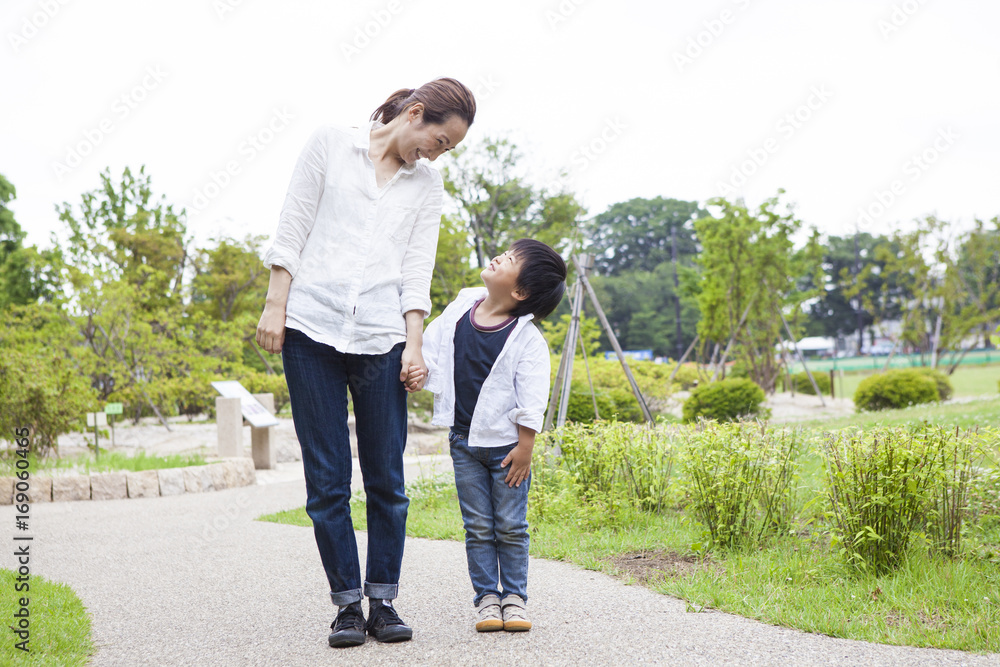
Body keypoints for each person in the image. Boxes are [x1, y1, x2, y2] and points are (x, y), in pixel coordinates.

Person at [255, 78, 476, 648]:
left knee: (387, 478)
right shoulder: (330, 143)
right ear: (417, 113)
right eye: (439, 139)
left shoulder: (428, 186)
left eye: (448, 148)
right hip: (310, 329)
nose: (437, 152)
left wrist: (415, 343)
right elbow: (293, 227)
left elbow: (415, 269)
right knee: (326, 480)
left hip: (381, 337)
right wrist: (275, 307)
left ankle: (383, 600)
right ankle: (346, 605)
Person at [405, 239, 567, 633]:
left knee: (511, 525)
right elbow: (433, 346)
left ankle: (514, 598)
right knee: (477, 526)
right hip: (464, 443)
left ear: (520, 292)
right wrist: (418, 368)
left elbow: (532, 397)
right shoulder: (463, 308)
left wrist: (527, 446)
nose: (499, 257)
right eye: (506, 252)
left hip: (508, 450)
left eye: (509, 260)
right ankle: (486, 601)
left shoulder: (526, 339)